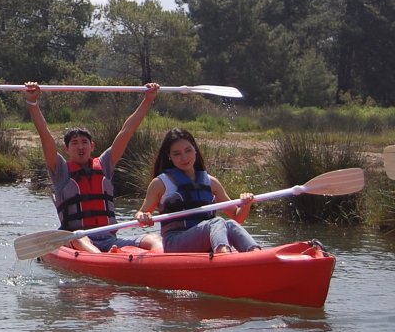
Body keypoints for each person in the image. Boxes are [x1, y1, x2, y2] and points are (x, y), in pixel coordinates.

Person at [25, 81, 162, 253]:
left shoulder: (105, 164)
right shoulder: (60, 170)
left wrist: (148, 100)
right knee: (79, 237)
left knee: (153, 238)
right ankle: (105, 260)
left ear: (92, 146)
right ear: (66, 149)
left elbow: (127, 131)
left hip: (109, 238)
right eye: (74, 143)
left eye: (84, 142)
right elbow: (45, 136)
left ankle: (161, 257)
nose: (80, 147)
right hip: (77, 239)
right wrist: (33, 103)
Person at [134, 127, 261, 254]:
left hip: (205, 239)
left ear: (195, 149)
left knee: (231, 225)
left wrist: (246, 204)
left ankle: (255, 253)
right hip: (174, 243)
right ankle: (224, 255)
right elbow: (142, 212)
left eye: (188, 150)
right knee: (217, 222)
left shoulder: (211, 182)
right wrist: (143, 216)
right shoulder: (160, 183)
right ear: (169, 156)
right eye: (177, 154)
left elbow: (237, 217)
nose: (184, 158)